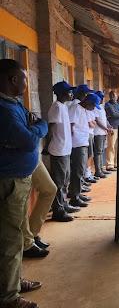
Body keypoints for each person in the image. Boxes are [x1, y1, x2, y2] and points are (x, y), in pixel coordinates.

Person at [0, 59, 45, 308]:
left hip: (18, 179)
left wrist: (34, 127)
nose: (28, 83)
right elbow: (28, 140)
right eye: (24, 78)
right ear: (13, 79)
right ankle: (8, 297)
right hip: (9, 181)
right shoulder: (4, 109)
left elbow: (32, 127)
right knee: (10, 239)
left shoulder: (13, 104)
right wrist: (38, 128)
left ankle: (13, 282)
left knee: (15, 236)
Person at [43, 81, 78, 222]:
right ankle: (58, 210)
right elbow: (50, 129)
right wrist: (46, 146)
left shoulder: (63, 107)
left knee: (64, 180)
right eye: (69, 92)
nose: (71, 94)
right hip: (58, 149)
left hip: (65, 148)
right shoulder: (56, 107)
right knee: (58, 181)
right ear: (62, 93)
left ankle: (63, 204)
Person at [68, 94, 101, 207]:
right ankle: (74, 197)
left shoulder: (83, 109)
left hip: (82, 141)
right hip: (77, 143)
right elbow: (71, 126)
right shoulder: (76, 108)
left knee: (80, 169)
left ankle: (77, 192)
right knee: (78, 170)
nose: (93, 108)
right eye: (93, 106)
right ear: (88, 102)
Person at [105, 91, 119, 171]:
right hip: (112, 127)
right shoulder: (108, 105)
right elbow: (113, 114)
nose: (113, 97)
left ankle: (116, 163)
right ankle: (109, 164)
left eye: (114, 95)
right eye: (112, 95)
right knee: (111, 146)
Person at [92, 91, 112, 178]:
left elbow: (104, 119)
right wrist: (107, 129)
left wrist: (109, 126)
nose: (102, 100)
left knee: (101, 151)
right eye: (101, 98)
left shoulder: (101, 107)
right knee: (98, 152)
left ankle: (101, 168)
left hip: (103, 132)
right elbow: (98, 121)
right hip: (98, 133)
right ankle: (98, 170)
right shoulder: (95, 108)